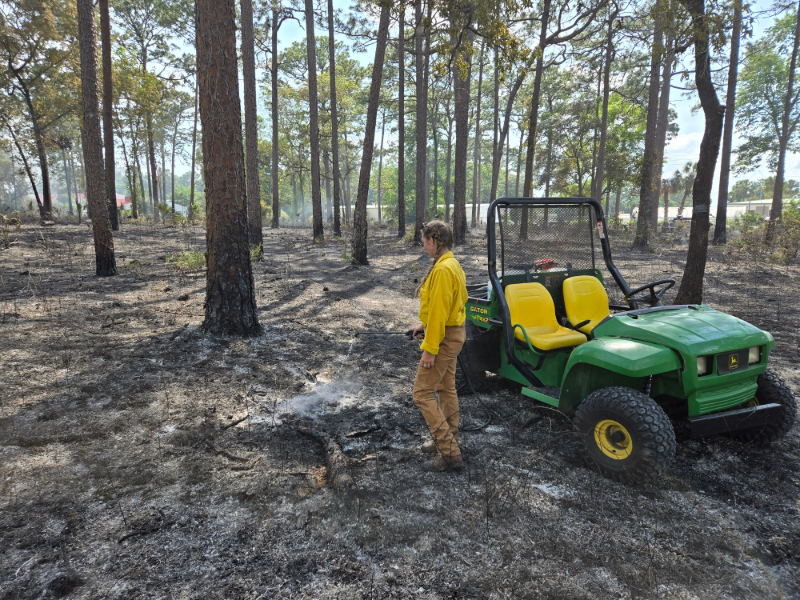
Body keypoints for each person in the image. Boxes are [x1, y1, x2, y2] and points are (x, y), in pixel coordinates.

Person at [411, 221, 468, 471]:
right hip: (451, 333)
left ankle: (449, 452)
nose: (424, 247)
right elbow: (445, 306)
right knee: (446, 388)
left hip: (444, 339)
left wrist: (429, 348)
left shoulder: (444, 269)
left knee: (422, 393)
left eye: (424, 242)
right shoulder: (450, 264)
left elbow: (439, 311)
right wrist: (424, 326)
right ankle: (447, 439)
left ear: (433, 240)